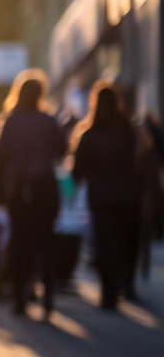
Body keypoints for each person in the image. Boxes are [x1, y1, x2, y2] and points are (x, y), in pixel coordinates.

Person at [0, 69, 67, 319]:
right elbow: (61, 150)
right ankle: (48, 297)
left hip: (19, 190)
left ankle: (20, 296)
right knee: (46, 241)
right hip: (45, 186)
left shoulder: (11, 122)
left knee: (20, 242)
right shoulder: (48, 120)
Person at [71, 82, 141, 309]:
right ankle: (126, 284)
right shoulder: (128, 130)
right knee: (126, 241)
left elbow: (78, 169)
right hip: (129, 194)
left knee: (104, 243)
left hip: (100, 196)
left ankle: (108, 291)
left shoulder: (89, 134)